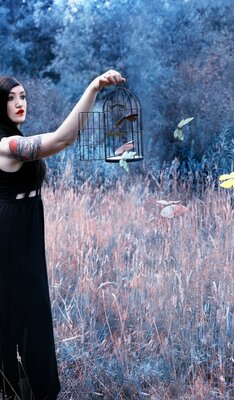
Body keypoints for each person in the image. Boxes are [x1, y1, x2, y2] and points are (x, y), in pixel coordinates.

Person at [0, 70, 125, 400]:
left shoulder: (13, 137)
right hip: (10, 237)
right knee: (21, 316)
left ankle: (26, 389)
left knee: (28, 315)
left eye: (23, 96)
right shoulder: (5, 145)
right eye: (10, 98)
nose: (19, 103)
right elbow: (60, 140)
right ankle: (19, 390)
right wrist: (94, 88)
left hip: (23, 230)